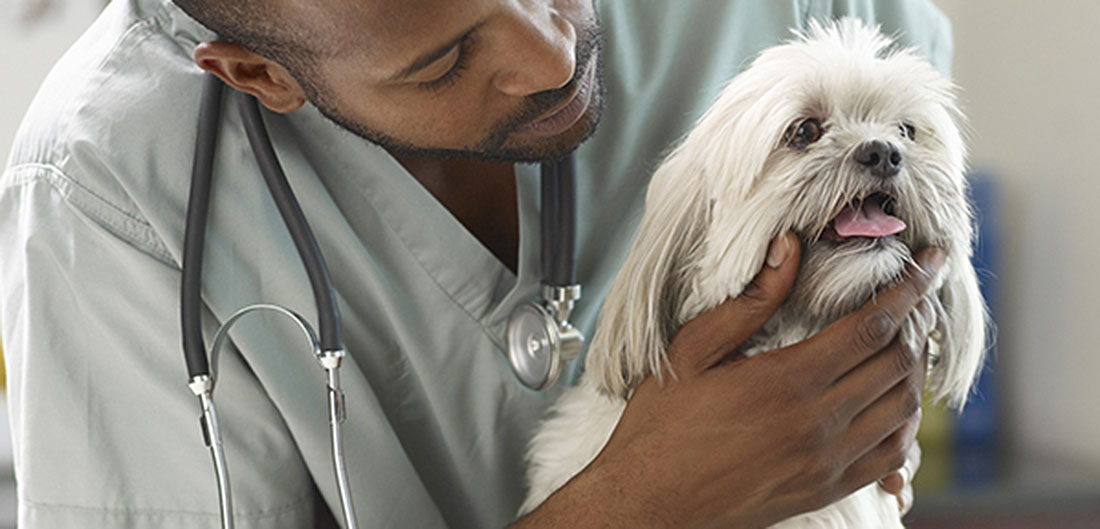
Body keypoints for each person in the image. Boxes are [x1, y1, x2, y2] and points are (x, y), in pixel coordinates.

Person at [0, 0, 953, 527]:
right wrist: (634, 508)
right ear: (261, 75)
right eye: (444, 59)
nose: (551, 54)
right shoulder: (104, 190)